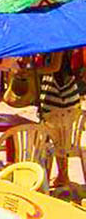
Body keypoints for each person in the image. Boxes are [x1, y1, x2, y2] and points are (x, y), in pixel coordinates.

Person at [36, 51, 80, 187]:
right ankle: (61, 175)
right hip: (63, 97)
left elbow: (55, 66)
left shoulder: (58, 44)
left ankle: (62, 175)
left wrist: (34, 71)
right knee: (59, 139)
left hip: (60, 98)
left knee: (58, 140)